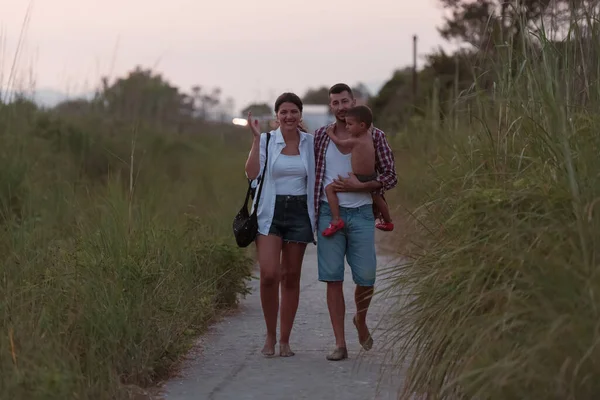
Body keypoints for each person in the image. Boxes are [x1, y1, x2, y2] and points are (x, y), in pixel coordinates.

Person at [314, 83, 397, 361]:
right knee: (333, 278)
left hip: (362, 213)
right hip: (330, 211)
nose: (341, 107)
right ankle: (340, 343)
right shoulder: (320, 137)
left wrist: (362, 187)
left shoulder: (376, 136)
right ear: (331, 107)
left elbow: (390, 176)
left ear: (354, 102)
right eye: (335, 103)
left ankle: (360, 320)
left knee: (367, 276)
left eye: (345, 101)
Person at [245, 92, 316, 357]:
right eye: (283, 112)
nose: (288, 116)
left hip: (299, 213)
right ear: (277, 116)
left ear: (300, 115)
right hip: (269, 213)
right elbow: (251, 174)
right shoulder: (265, 141)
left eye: (293, 112)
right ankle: (270, 336)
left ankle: (285, 340)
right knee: (270, 274)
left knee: (290, 277)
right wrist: (255, 140)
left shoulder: (310, 142)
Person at [321, 105, 394, 237]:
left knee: (329, 189)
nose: (347, 127)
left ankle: (336, 220)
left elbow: (339, 142)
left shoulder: (355, 140)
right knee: (377, 197)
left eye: (350, 124)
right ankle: (388, 221)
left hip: (360, 178)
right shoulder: (370, 134)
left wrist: (330, 133)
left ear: (361, 125)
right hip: (372, 176)